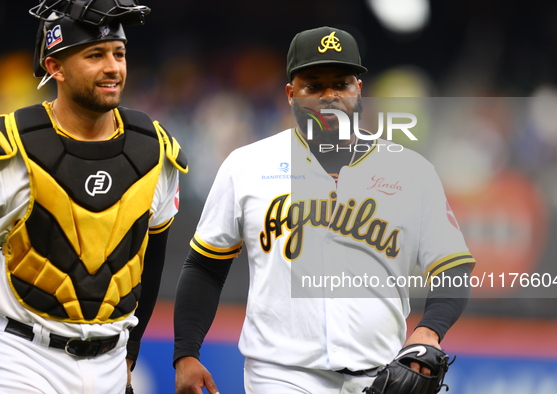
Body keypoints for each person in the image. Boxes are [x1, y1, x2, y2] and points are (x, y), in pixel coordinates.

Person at [174, 26, 474, 394]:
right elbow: (206, 264)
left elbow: (453, 266)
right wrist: (186, 352)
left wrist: (430, 329)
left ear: (358, 91)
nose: (329, 96)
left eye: (342, 84)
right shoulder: (247, 165)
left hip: (381, 378)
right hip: (280, 375)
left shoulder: (411, 171)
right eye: (313, 86)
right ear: (290, 94)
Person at [0, 1, 188, 393]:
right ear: (55, 67)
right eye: (94, 55)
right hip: (22, 359)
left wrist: (132, 349)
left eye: (118, 54)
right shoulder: (12, 147)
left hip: (112, 363)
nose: (113, 67)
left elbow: (151, 260)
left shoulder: (155, 150)